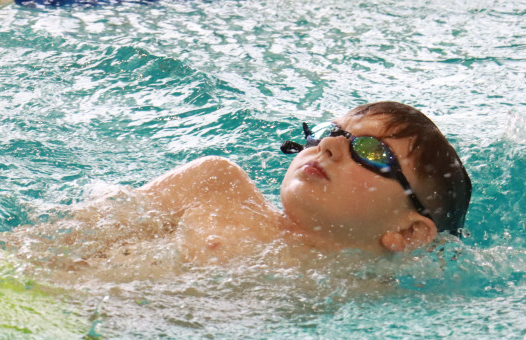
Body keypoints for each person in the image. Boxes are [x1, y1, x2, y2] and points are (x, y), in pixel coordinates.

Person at [132, 101, 471, 263]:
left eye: (370, 151)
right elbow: (84, 230)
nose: (330, 146)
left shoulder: (365, 294)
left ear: (409, 233)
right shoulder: (214, 185)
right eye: (335, 132)